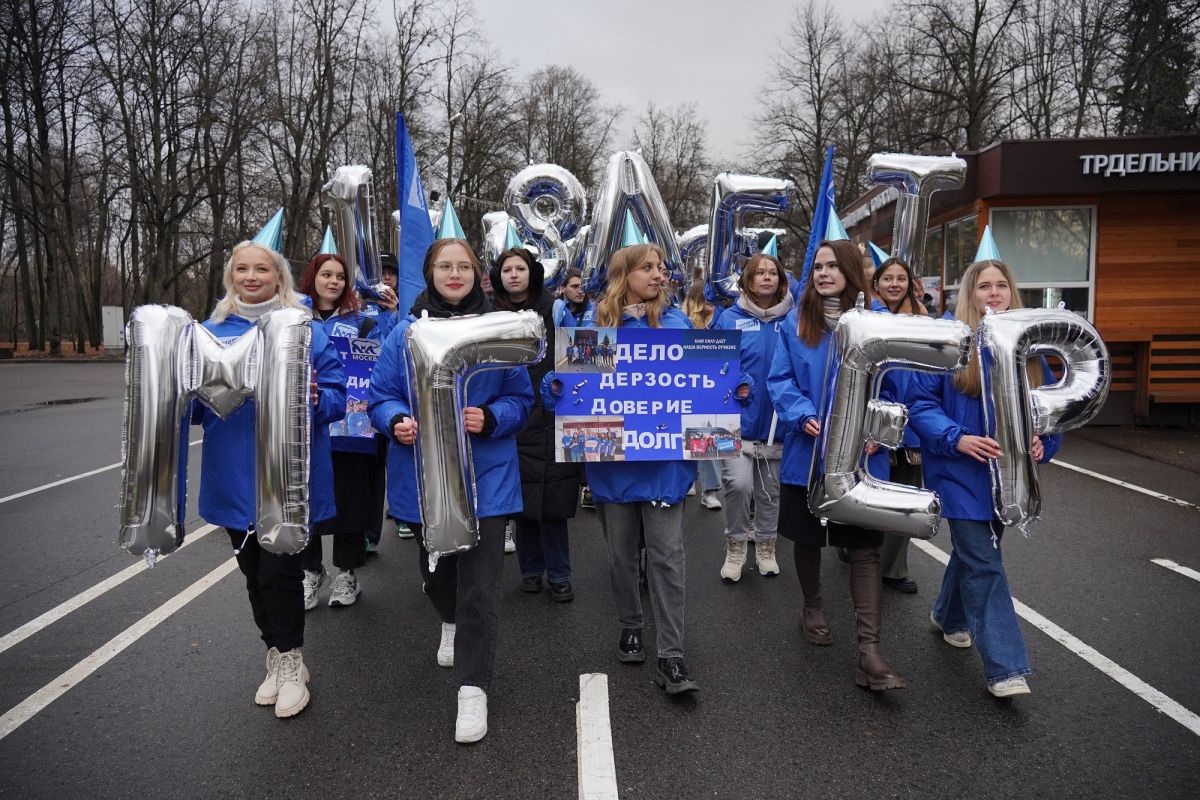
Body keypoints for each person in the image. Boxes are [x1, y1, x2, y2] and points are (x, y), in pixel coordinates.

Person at [368, 238, 533, 743]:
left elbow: (522, 399)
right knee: (438, 577)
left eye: (464, 265)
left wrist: (492, 417)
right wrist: (395, 420)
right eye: (445, 265)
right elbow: (382, 396)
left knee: (481, 588)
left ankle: (472, 688)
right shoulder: (405, 334)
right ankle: (448, 619)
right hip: (424, 481)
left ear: (477, 274)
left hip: (487, 478)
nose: (455, 273)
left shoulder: (499, 330)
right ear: (430, 273)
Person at [194, 240, 346, 718]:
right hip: (233, 478)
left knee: (281, 572)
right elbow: (194, 412)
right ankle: (277, 656)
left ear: (279, 277)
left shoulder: (306, 330)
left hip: (290, 479)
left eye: (263, 269)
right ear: (231, 277)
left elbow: (340, 398)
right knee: (253, 574)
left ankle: (293, 658)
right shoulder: (208, 333)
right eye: (243, 269)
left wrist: (319, 398)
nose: (252, 277)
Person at [546, 244, 700, 695]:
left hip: (664, 463)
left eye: (661, 268)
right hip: (613, 463)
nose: (659, 275)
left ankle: (672, 653)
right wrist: (554, 387)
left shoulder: (676, 324)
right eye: (647, 268)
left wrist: (738, 392)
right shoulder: (598, 328)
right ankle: (631, 624)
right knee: (620, 556)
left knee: (668, 558)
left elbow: (706, 388)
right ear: (623, 274)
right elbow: (568, 394)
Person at [908, 258, 1060, 698]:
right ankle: (1006, 668)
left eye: (1001, 286)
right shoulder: (947, 344)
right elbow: (920, 406)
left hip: (1007, 478)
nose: (993, 293)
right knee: (985, 562)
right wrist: (956, 439)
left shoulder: (1029, 350)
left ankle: (948, 615)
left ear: (1012, 293)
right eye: (983, 287)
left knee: (975, 554)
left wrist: (1041, 444)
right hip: (958, 473)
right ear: (969, 296)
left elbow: (1049, 410)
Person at [767, 239, 906, 691]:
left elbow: (899, 385)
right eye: (817, 267)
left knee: (864, 546)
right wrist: (803, 415)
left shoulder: (879, 324)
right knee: (808, 538)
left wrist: (876, 430)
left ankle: (870, 651)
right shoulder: (795, 323)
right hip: (807, 455)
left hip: (862, 457)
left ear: (850, 270)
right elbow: (780, 379)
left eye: (832, 265)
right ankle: (812, 607)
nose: (823, 273)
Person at [296, 252, 388, 608]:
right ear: (312, 278)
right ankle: (310, 571)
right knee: (306, 502)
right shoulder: (293, 320)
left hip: (354, 430)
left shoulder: (365, 322)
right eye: (326, 274)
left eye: (340, 276)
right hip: (307, 430)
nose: (333, 282)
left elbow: (385, 363)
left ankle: (348, 573)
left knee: (351, 502)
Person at [490, 247, 581, 602]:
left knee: (555, 504)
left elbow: (581, 359)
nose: (513, 275)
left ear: (533, 273)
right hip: (511, 415)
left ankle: (560, 574)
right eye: (507, 269)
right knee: (523, 501)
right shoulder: (489, 313)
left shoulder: (556, 310)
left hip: (553, 414)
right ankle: (530, 570)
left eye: (520, 268)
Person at [713, 254, 793, 582]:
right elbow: (714, 368)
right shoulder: (728, 319)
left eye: (772, 272)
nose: (766, 277)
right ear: (747, 279)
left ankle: (766, 547)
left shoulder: (793, 319)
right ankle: (735, 545)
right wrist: (738, 381)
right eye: (759, 272)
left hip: (777, 425)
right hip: (735, 422)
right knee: (738, 485)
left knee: (769, 492)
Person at [871, 256, 928, 594]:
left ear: (910, 284)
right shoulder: (864, 319)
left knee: (905, 498)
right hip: (873, 424)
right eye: (887, 278)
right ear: (876, 284)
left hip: (914, 426)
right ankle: (861, 552)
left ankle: (892, 568)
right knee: (872, 496)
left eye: (900, 278)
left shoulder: (927, 322)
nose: (894, 284)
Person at [682, 282, 724, 511]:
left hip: (711, 386)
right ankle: (689, 480)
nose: (710, 305)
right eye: (705, 300)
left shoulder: (721, 318)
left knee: (708, 435)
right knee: (686, 431)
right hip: (687, 383)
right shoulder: (682, 321)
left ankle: (710, 490)